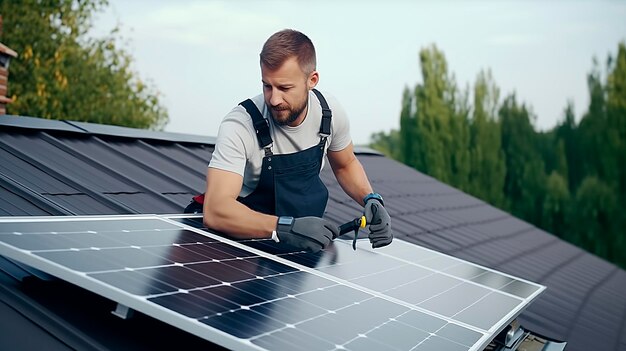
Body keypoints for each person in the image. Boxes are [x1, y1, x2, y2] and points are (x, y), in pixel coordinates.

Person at [199, 29, 392, 253]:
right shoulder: (240, 125)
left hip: (300, 246)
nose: (274, 99)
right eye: (267, 85)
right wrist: (285, 227)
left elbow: (345, 164)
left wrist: (370, 198)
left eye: (285, 88)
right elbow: (215, 210)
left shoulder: (329, 113)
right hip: (242, 248)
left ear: (312, 80)